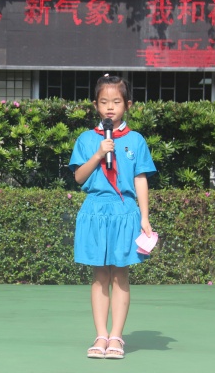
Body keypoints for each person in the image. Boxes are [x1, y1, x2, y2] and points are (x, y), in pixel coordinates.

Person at [68, 74, 156, 360]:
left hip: (125, 212)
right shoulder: (86, 139)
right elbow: (79, 177)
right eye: (104, 102)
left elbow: (140, 178)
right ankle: (100, 335)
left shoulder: (136, 140)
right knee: (99, 275)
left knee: (120, 274)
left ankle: (116, 336)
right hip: (95, 211)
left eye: (116, 102)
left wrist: (144, 217)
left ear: (127, 105)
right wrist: (98, 154)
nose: (110, 107)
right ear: (95, 105)